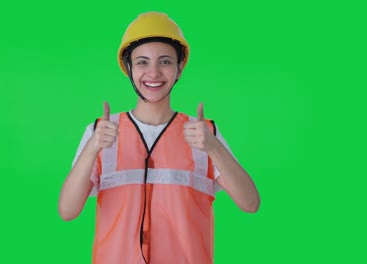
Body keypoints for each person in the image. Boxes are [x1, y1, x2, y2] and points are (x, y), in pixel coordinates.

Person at [58, 11, 260, 264]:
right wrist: (92, 149)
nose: (153, 72)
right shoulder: (101, 132)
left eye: (165, 61)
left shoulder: (203, 134)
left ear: (180, 67)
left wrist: (214, 148)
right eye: (142, 62)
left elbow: (250, 203)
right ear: (129, 68)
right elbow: (67, 210)